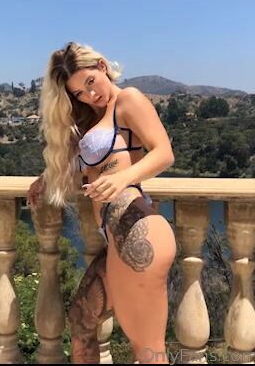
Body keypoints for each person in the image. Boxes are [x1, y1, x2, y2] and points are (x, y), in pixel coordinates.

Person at [26, 42, 177, 364]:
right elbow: (87, 161)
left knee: (148, 351)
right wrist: (48, 177)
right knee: (81, 320)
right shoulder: (95, 117)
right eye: (79, 93)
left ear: (103, 67)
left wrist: (123, 178)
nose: (90, 95)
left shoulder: (128, 99)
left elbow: (164, 153)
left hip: (138, 230)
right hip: (117, 238)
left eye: (91, 82)